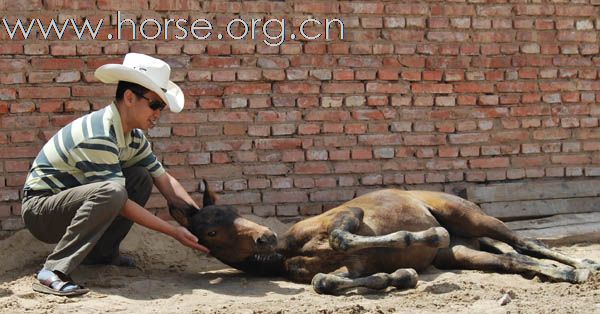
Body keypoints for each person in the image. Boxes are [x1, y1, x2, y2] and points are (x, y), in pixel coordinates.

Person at [21, 53, 209, 296]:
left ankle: (101, 256)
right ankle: (52, 272)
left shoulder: (134, 137)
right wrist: (174, 232)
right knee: (113, 192)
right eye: (154, 104)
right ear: (129, 97)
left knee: (140, 177)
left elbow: (164, 180)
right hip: (42, 212)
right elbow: (117, 201)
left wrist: (201, 221)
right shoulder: (98, 134)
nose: (158, 113)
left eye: (161, 107)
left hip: (71, 203)